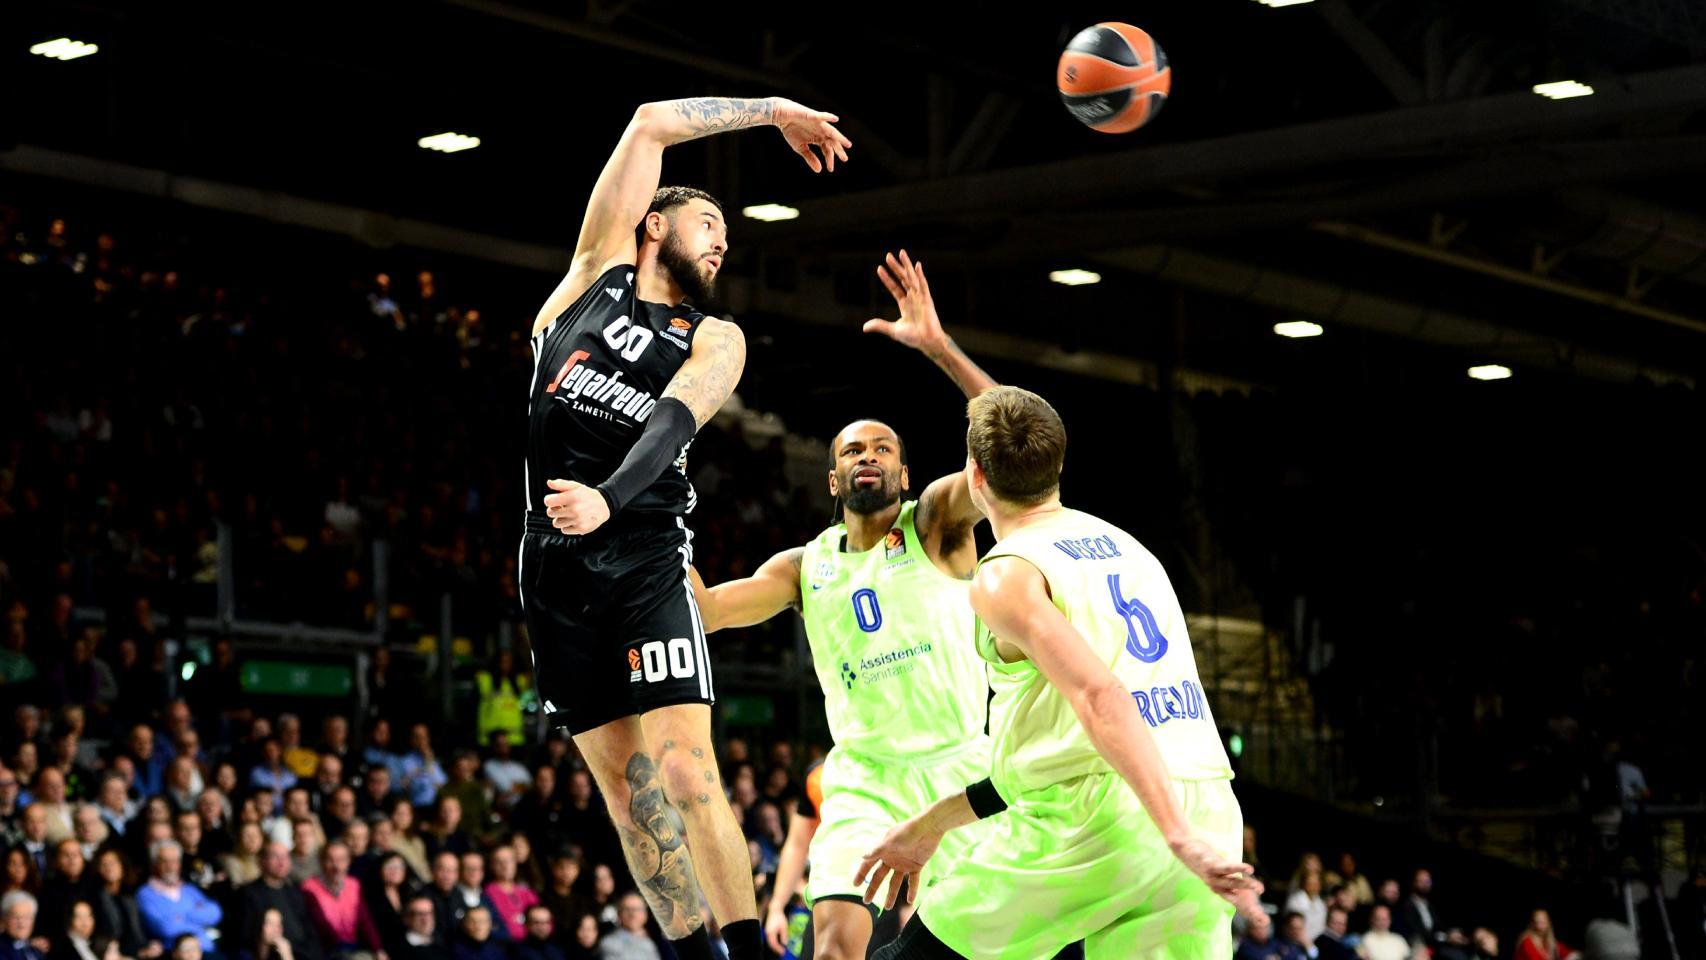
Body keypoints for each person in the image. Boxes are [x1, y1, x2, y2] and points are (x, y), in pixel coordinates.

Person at [520, 93, 849, 960]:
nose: (721, 241)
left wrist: (609, 500)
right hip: (552, 567)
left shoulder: (717, 336)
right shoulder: (587, 281)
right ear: (652, 225)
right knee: (631, 796)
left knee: (683, 769)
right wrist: (776, 110)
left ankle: (749, 951)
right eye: (707, 223)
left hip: (646, 556)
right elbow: (648, 122)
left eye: (727, 236)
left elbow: (672, 421)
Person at [858, 386, 1258, 959]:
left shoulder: (1007, 577)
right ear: (1058, 466)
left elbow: (1102, 697)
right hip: (1211, 806)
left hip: (1105, 819)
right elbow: (1059, 748)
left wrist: (1172, 833)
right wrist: (933, 823)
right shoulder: (1132, 549)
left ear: (974, 476)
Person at [694, 251, 994, 960]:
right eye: (854, 449)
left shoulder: (937, 527)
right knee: (832, 948)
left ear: (905, 471)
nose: (869, 455)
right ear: (832, 477)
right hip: (863, 778)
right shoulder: (805, 566)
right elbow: (706, 611)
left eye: (883, 447)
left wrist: (940, 348)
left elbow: (1014, 448)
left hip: (960, 770)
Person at [595, 895, 659, 960]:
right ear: (619, 914)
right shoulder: (609, 943)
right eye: (628, 909)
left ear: (645, 915)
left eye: (638, 909)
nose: (633, 914)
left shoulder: (649, 943)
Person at [1514, 910, 1579, 960]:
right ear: (1532, 924)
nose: (1539, 926)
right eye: (1537, 922)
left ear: (1548, 923)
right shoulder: (1527, 941)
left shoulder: (1549, 941)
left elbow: (1565, 951)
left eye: (1543, 922)